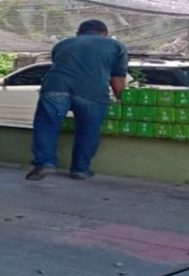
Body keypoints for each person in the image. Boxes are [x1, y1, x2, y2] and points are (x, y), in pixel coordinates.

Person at [26, 19, 127, 181]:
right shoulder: (116, 46)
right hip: (92, 91)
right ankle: (80, 169)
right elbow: (117, 77)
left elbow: (59, 65)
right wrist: (122, 100)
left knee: (47, 125)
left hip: (55, 87)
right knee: (88, 130)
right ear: (105, 33)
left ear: (78, 33)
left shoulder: (62, 44)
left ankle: (45, 162)